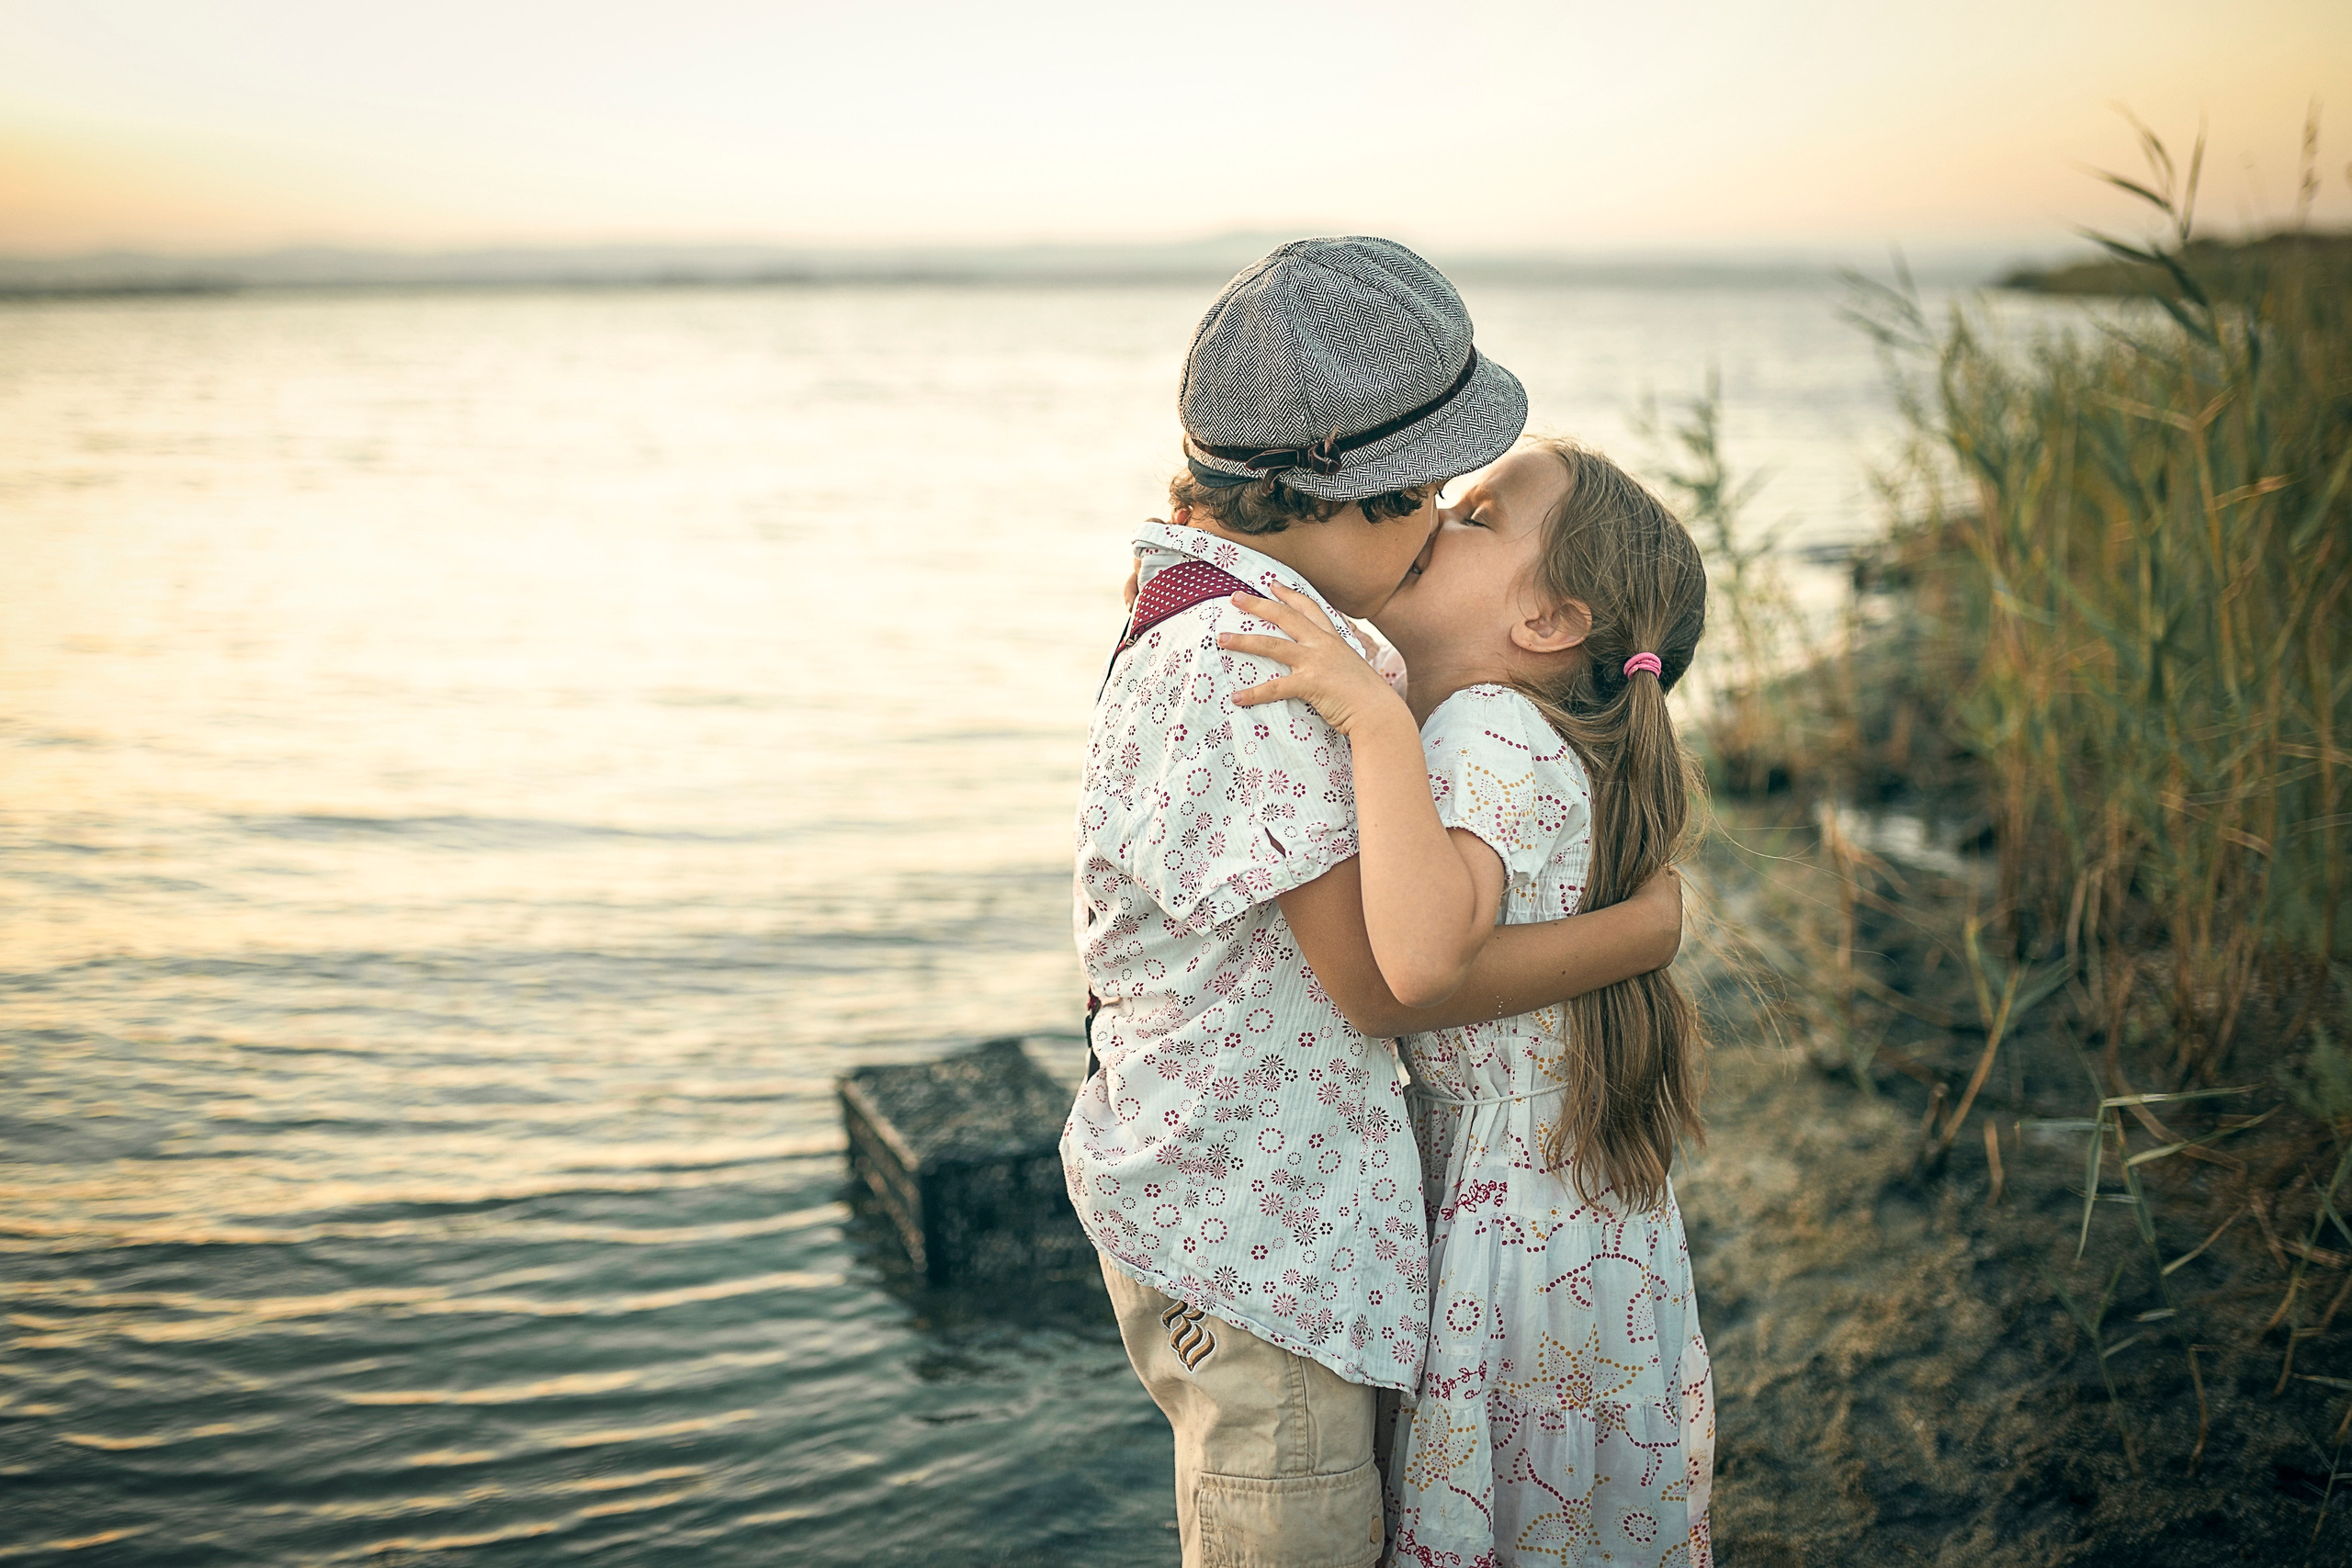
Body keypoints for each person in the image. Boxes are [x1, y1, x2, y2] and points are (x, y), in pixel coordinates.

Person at [1060, 238, 1686, 1568]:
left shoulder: (1251, 617)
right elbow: (1386, 979)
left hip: (1270, 1216)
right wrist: (1642, 932)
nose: (1437, 531)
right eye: (1436, 500)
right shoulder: (1259, 656)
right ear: (1355, 500)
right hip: (1252, 1235)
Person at [1218, 439, 1714, 1568]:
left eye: (1477, 517)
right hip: (1568, 1201)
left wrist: (1373, 722)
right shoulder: (1526, 730)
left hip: (1510, 1221)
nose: (1433, 517)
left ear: (1550, 621)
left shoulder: (1480, 726)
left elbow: (1423, 957)